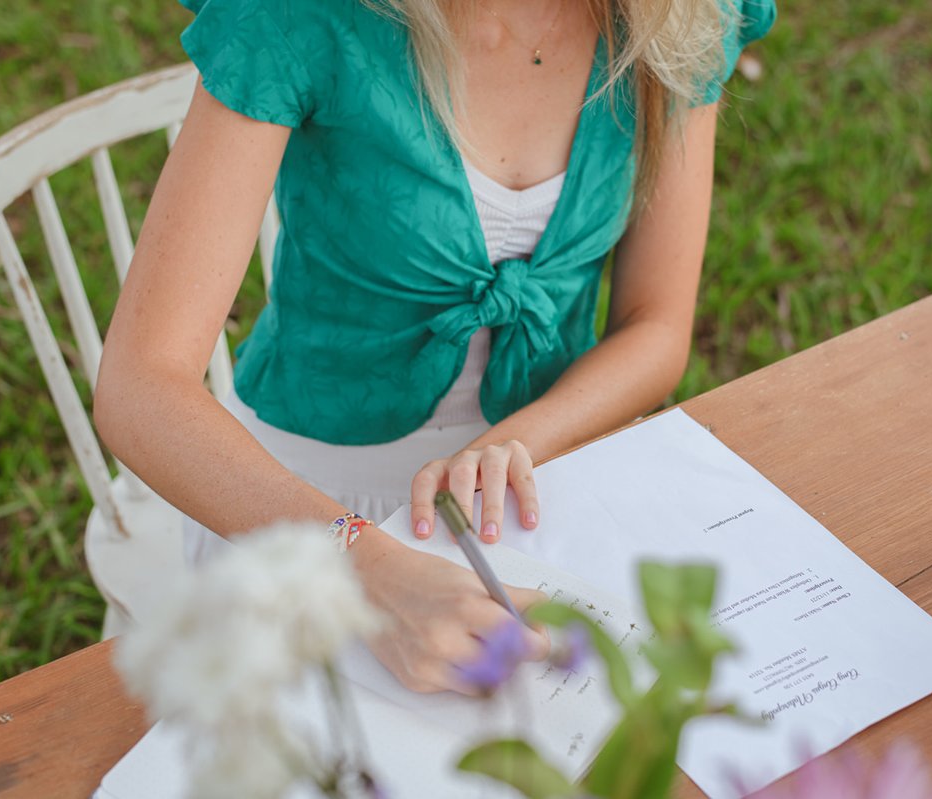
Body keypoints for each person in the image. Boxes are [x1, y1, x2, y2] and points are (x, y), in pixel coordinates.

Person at [93, 0, 775, 694]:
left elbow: (655, 324)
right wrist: (365, 566)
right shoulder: (299, 16)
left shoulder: (677, 16)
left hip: (539, 480)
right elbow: (138, 387)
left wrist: (517, 441)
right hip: (303, 508)